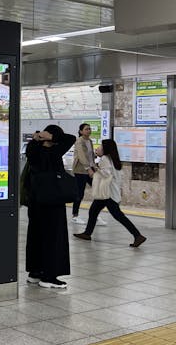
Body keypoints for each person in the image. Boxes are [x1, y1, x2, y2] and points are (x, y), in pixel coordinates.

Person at [25, 125, 75, 289]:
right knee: (54, 238)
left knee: (36, 235)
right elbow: (71, 138)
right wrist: (51, 137)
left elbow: (70, 138)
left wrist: (38, 138)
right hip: (52, 201)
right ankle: (49, 276)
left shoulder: (34, 150)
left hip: (35, 201)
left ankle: (35, 273)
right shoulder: (55, 152)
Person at [74, 139, 146, 248]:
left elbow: (106, 174)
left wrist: (95, 168)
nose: (98, 148)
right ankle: (87, 233)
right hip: (109, 192)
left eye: (101, 146)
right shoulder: (114, 159)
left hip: (107, 193)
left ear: (105, 148)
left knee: (118, 216)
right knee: (93, 211)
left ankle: (138, 236)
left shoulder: (105, 159)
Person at [71, 123, 105, 226]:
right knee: (79, 193)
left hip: (90, 169)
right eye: (86, 129)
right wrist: (89, 169)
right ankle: (75, 216)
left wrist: (94, 167)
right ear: (81, 131)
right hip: (80, 170)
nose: (89, 130)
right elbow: (82, 156)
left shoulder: (89, 141)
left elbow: (90, 157)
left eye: (89, 129)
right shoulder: (79, 141)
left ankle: (95, 215)